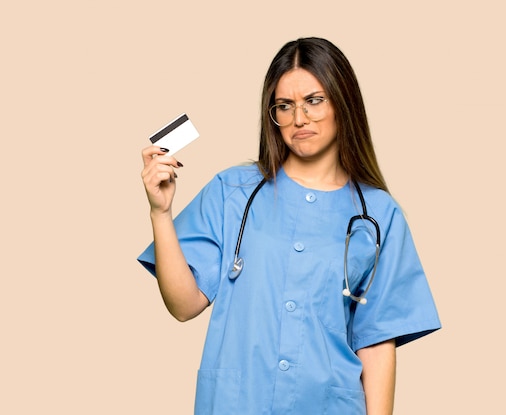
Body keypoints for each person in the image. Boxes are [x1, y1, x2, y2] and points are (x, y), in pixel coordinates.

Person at [138, 37, 440, 415]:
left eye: (314, 101)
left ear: (342, 103)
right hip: (237, 404)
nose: (299, 119)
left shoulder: (379, 214)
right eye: (285, 106)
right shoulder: (232, 191)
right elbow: (183, 306)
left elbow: (377, 342)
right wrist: (160, 213)